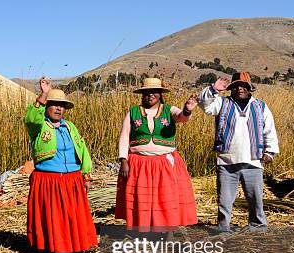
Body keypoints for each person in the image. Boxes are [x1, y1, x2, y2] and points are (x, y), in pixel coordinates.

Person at [24, 77, 98, 253]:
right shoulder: (39, 127)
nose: (58, 108)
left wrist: (86, 174)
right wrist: (43, 94)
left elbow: (82, 149)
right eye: (54, 104)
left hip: (72, 179)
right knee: (52, 216)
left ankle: (74, 247)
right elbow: (31, 118)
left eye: (61, 105)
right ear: (47, 106)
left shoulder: (70, 126)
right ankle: (51, 248)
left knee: (73, 215)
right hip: (49, 179)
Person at [198, 72, 279, 232]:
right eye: (236, 86)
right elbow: (204, 105)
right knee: (225, 200)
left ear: (249, 89)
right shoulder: (221, 103)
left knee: (255, 199)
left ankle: (258, 226)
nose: (240, 89)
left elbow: (269, 129)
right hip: (227, 161)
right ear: (231, 89)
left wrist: (270, 151)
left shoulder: (260, 106)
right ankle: (224, 228)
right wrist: (214, 89)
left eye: (244, 86)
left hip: (253, 161)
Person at [115, 77, 198, 229]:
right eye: (147, 92)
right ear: (142, 94)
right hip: (139, 164)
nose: (150, 95)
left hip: (164, 163)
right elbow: (124, 136)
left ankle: (168, 231)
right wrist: (123, 160)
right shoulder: (133, 112)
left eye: (154, 92)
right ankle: (142, 231)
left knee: (165, 197)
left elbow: (181, 118)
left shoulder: (169, 110)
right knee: (142, 199)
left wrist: (187, 110)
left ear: (160, 94)